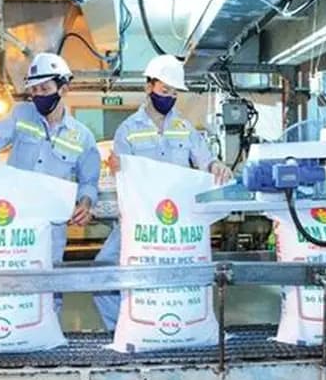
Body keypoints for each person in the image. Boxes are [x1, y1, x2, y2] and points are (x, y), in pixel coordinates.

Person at [93, 54, 233, 330]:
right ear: (149, 87)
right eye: (164, 90)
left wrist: (217, 165)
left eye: (174, 93)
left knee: (181, 276)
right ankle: (121, 329)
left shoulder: (185, 128)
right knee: (102, 273)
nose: (169, 97)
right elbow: (122, 176)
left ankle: (176, 327)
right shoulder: (127, 130)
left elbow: (205, 160)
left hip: (177, 221)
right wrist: (119, 168)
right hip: (140, 221)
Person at [0, 52, 100, 311]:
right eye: (34, 90)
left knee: (48, 289)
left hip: (51, 227)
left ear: (63, 89)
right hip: (14, 220)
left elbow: (89, 181)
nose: (38, 95)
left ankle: (48, 331)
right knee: (10, 285)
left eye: (45, 89)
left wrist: (86, 203)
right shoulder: (20, 115)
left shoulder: (82, 136)